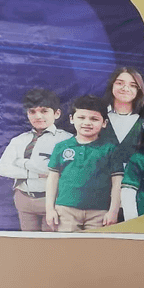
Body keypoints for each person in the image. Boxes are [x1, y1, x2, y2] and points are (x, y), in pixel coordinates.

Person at [0, 88, 72, 231]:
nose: (38, 116)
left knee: (48, 245)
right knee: (29, 244)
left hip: (53, 200)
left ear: (57, 113)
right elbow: (2, 168)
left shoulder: (66, 140)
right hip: (24, 199)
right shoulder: (19, 140)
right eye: (32, 112)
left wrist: (21, 163)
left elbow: (64, 171)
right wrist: (35, 174)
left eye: (44, 111)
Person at [45, 95, 123, 232]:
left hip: (99, 213)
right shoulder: (61, 147)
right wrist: (49, 209)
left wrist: (113, 211)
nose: (87, 123)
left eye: (94, 119)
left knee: (95, 251)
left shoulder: (110, 149)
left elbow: (117, 182)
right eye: (81, 117)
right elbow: (52, 179)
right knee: (66, 249)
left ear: (104, 123)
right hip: (65, 210)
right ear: (71, 119)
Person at [101, 67, 144, 167]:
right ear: (111, 85)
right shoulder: (99, 117)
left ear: (139, 90)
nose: (125, 89)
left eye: (132, 85)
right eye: (119, 83)